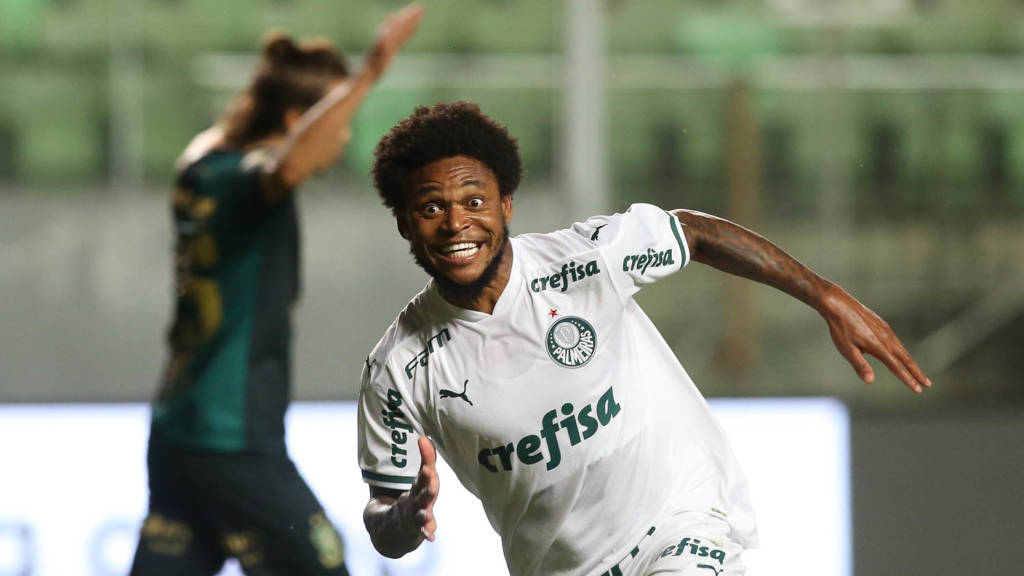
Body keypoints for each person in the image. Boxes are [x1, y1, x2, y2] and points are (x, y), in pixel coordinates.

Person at [355, 102, 931, 576]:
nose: (456, 223)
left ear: (506, 204)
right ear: (405, 222)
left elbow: (695, 233)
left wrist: (824, 295)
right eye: (431, 208)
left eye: (475, 201)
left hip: (679, 525)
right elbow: (382, 511)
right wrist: (403, 517)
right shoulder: (398, 369)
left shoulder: (584, 261)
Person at [130, 6, 423, 575]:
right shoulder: (251, 181)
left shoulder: (201, 163)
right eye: (336, 118)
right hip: (233, 441)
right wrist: (367, 75)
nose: (343, 135)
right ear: (297, 120)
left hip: (177, 434)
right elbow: (284, 169)